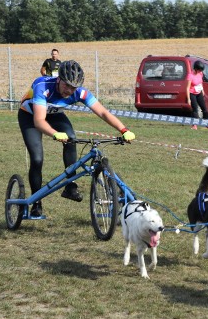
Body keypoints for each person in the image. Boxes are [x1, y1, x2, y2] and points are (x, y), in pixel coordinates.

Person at [19, 60, 135, 218]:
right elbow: (39, 121)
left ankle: (70, 186)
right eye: (66, 85)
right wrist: (54, 133)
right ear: (59, 79)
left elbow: (103, 113)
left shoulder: (80, 92)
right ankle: (36, 203)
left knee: (71, 137)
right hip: (30, 116)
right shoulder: (42, 87)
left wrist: (124, 129)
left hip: (55, 114)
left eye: (73, 87)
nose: (69, 90)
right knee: (37, 158)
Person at [186, 60, 208, 130]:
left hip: (199, 93)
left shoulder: (200, 74)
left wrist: (203, 91)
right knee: (195, 110)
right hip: (192, 94)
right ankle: (194, 125)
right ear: (196, 69)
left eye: (201, 70)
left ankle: (207, 124)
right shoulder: (190, 75)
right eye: (199, 70)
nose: (200, 71)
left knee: (205, 109)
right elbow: (187, 88)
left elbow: (200, 83)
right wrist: (188, 99)